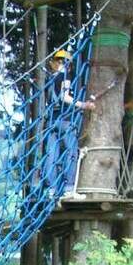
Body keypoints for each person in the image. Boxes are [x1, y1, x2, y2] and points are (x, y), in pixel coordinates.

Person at [42, 50, 95, 200]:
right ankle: (69, 188)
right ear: (67, 63)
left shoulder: (50, 79)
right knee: (71, 153)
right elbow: (64, 97)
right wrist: (82, 105)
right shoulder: (64, 76)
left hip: (52, 121)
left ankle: (51, 189)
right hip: (65, 120)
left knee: (51, 155)